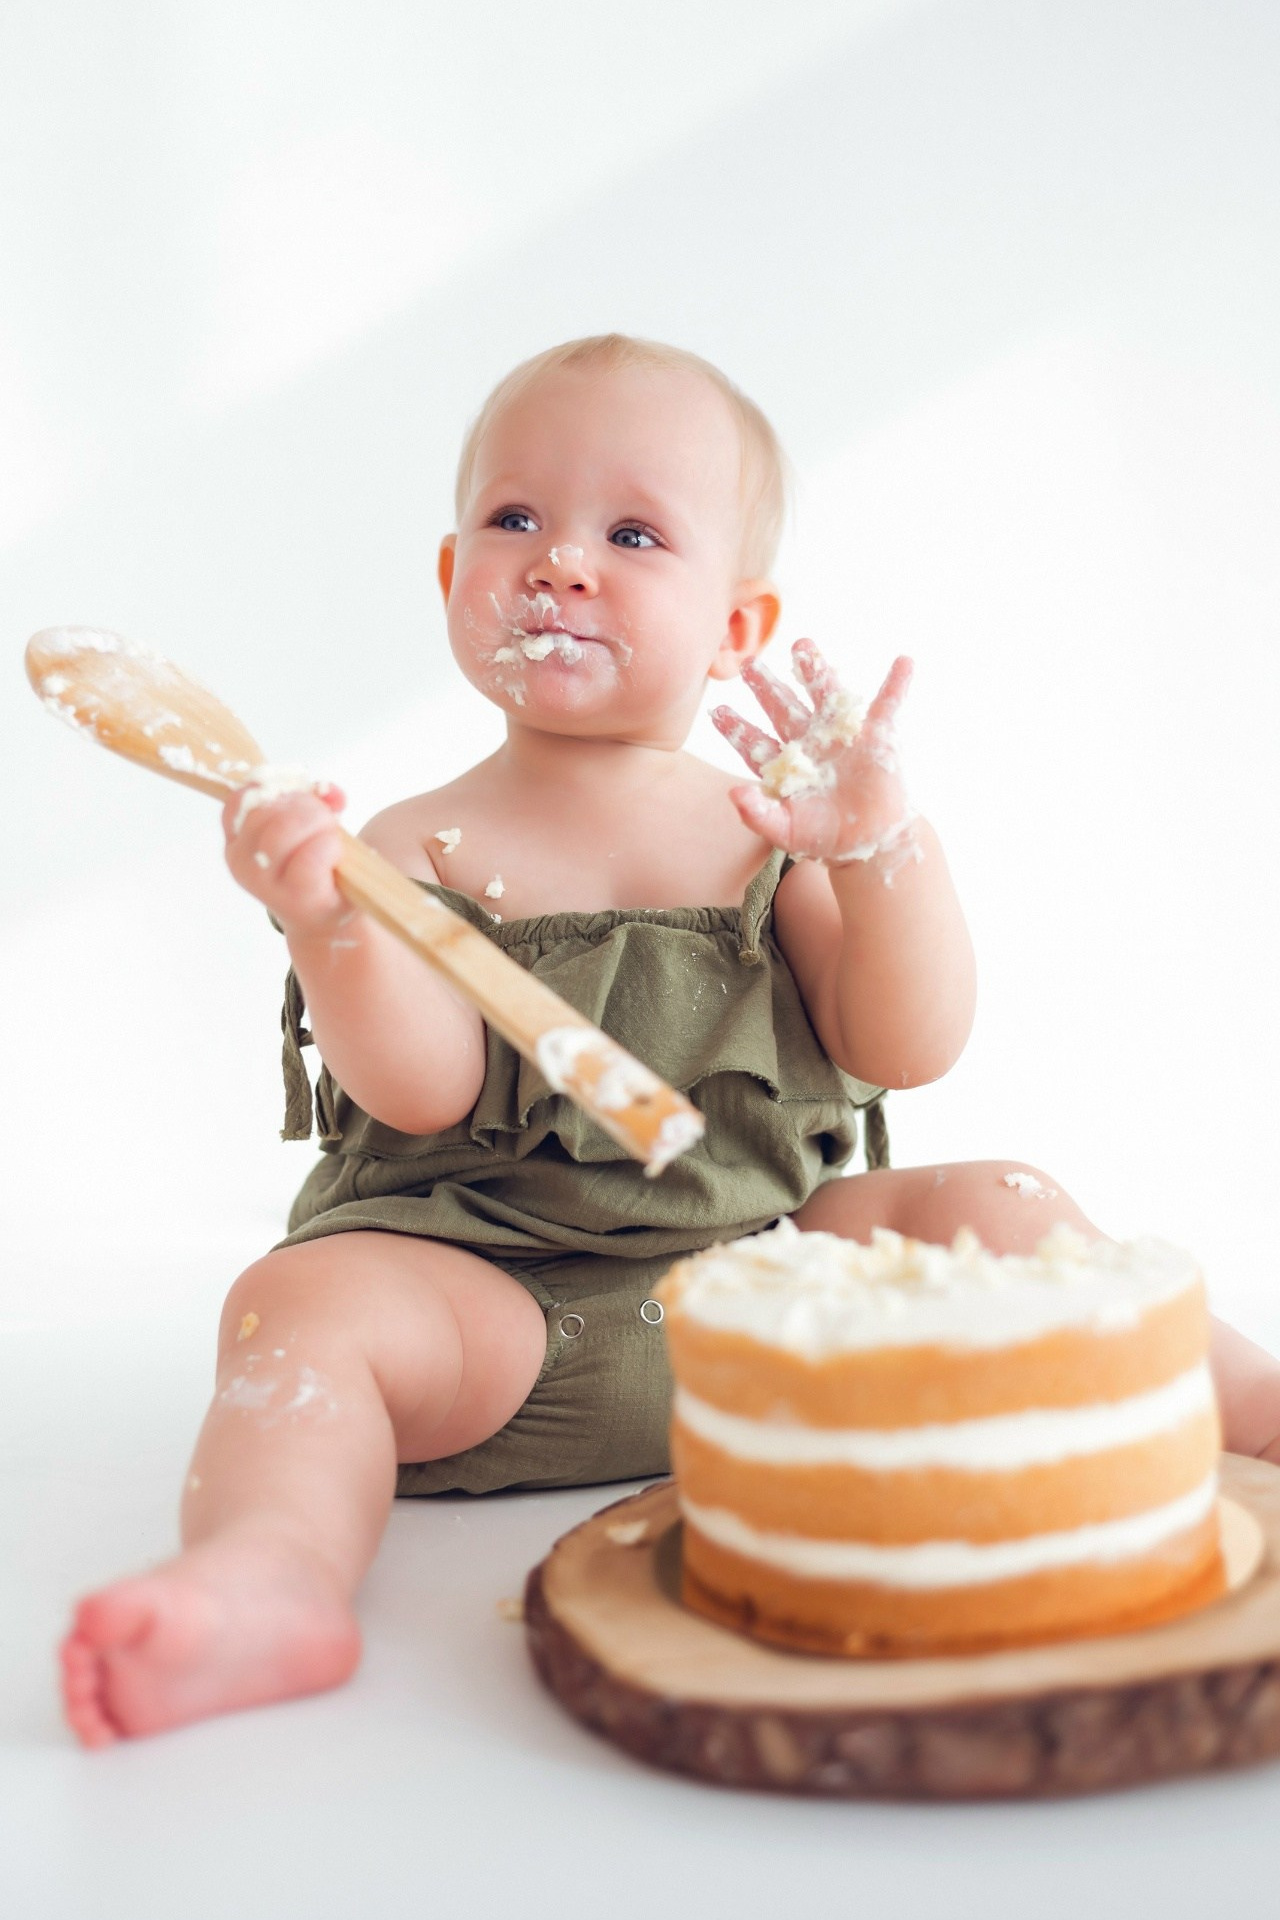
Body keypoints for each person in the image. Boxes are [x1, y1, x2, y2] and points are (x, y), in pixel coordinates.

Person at [59, 333, 1280, 1747]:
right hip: (496, 1316)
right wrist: (331, 922)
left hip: (767, 1304)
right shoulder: (407, 846)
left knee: (992, 1202)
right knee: (301, 1313)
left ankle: (1252, 1401)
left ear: (738, 629)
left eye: (632, 533)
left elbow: (909, 1041)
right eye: (515, 519)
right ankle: (268, 1576)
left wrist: (879, 848)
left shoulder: (765, 831)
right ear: (453, 579)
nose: (562, 562)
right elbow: (422, 1084)